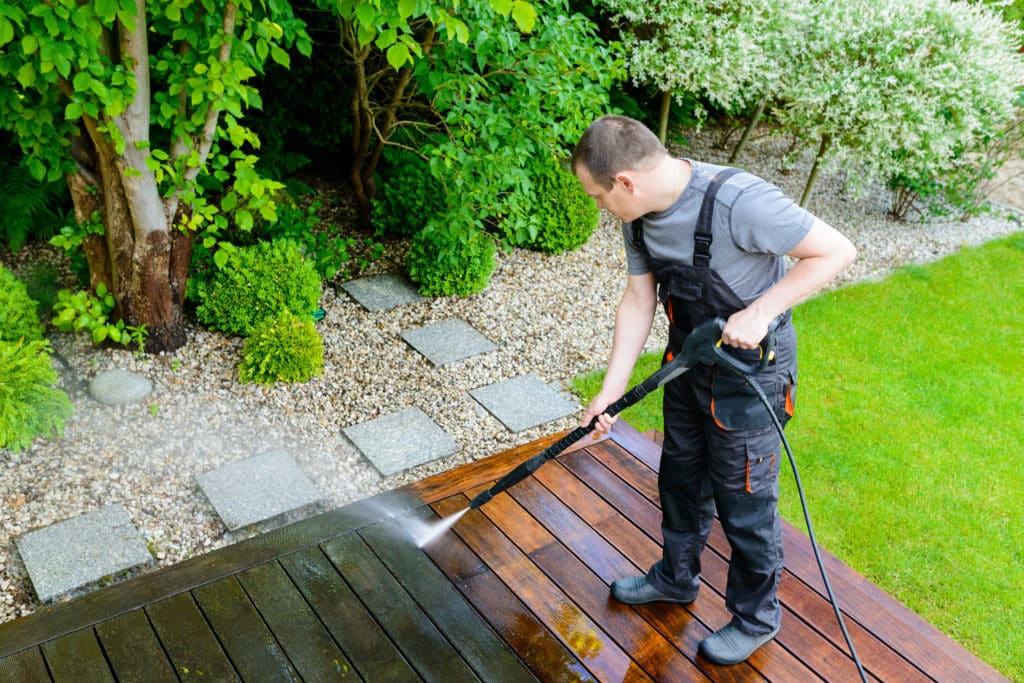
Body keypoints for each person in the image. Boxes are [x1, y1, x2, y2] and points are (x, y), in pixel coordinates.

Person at [572, 115, 856, 665]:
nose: (601, 208)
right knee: (680, 479)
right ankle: (676, 579)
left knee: (744, 501)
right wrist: (609, 392)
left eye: (600, 196)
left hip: (751, 377)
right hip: (687, 363)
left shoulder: (740, 201)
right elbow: (638, 301)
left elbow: (836, 250)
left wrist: (763, 309)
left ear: (626, 181)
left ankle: (756, 617)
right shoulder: (638, 218)